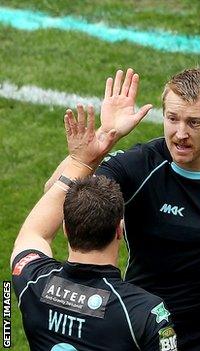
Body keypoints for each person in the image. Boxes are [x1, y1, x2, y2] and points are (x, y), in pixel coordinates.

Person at [47, 68, 200, 350]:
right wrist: (100, 140)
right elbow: (57, 196)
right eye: (172, 119)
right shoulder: (140, 166)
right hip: (143, 330)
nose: (180, 134)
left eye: (194, 122)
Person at [12, 104, 177, 350]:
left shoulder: (32, 282)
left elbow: (34, 233)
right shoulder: (146, 313)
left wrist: (80, 160)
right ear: (120, 229)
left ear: (66, 228)